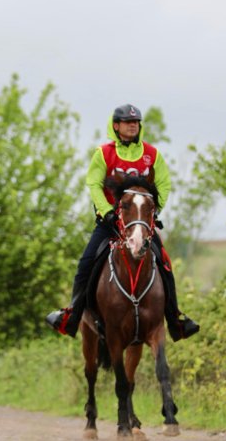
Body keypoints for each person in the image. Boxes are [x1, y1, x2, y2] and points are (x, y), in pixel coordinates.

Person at [45, 104, 200, 341]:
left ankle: (175, 320)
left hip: (141, 225)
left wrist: (153, 211)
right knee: (86, 263)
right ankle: (71, 316)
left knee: (165, 265)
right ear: (115, 126)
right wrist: (107, 211)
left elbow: (165, 184)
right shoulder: (103, 153)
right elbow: (93, 184)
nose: (132, 126)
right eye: (128, 122)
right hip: (109, 225)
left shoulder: (152, 154)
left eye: (136, 122)